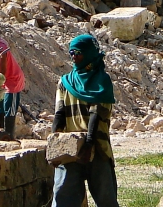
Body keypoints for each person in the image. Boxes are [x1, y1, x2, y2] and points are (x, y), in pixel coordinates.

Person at [51, 34, 119, 207]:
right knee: (63, 199)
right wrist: (54, 146)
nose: (74, 56)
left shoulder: (101, 81)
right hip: (71, 149)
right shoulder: (65, 82)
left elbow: (97, 114)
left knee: (106, 201)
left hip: (96, 147)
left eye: (78, 53)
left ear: (89, 53)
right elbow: (59, 115)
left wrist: (88, 145)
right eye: (71, 52)